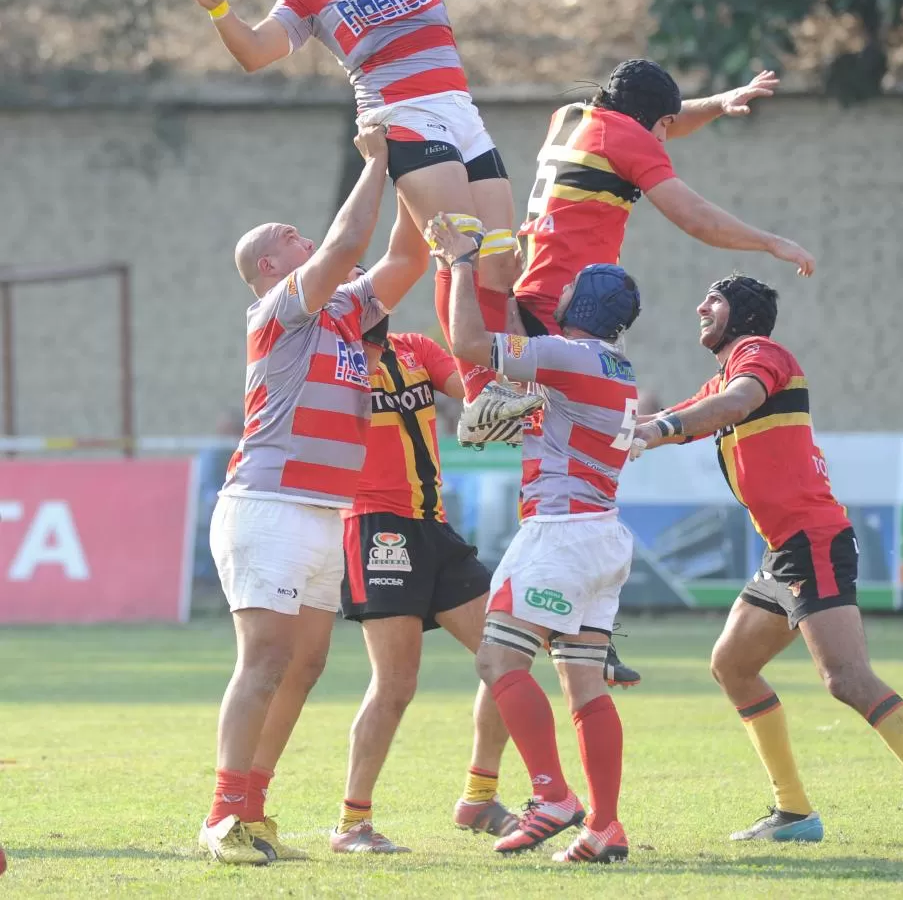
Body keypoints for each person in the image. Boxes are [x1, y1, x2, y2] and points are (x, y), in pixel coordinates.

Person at [176, 0, 537, 442]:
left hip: (461, 110)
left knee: (500, 264)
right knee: (457, 245)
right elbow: (256, 52)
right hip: (398, 115)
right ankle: (481, 396)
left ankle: (517, 387)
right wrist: (219, 9)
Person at [631, 274, 903, 856]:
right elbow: (687, 416)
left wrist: (657, 428)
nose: (699, 308)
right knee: (732, 665)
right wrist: (619, 430)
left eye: (712, 299)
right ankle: (794, 812)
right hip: (785, 549)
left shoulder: (760, 356)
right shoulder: (724, 376)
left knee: (845, 678)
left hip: (813, 541)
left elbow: (730, 405)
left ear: (740, 313)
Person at [198, 125, 428, 865]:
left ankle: (255, 811)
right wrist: (379, 161)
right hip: (268, 505)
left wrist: (419, 179)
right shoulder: (279, 309)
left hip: (322, 511)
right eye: (286, 236)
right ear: (271, 266)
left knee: (305, 665)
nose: (301, 235)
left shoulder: (342, 312)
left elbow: (404, 256)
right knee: (264, 658)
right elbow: (345, 245)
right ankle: (224, 816)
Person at [432, 211, 643, 865]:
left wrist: (462, 262)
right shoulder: (616, 364)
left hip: (559, 533)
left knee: (498, 662)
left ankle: (552, 797)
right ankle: (604, 826)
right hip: (601, 535)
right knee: (584, 686)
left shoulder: (563, 354)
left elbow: (469, 342)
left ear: (572, 305)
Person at [332, 315, 517, 853]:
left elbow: (473, 391)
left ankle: (479, 797)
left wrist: (514, 392)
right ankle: (351, 824)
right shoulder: (328, 360)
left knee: (506, 654)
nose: (370, 294)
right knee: (395, 684)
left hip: (433, 525)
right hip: (375, 526)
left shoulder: (413, 348)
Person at [511, 59, 816, 340]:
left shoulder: (570, 118)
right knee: (576, 399)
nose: (664, 137)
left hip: (530, 285)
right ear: (643, 117)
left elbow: (657, 123)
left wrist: (720, 103)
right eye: (665, 123)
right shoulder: (627, 136)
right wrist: (771, 243)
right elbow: (697, 218)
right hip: (565, 303)